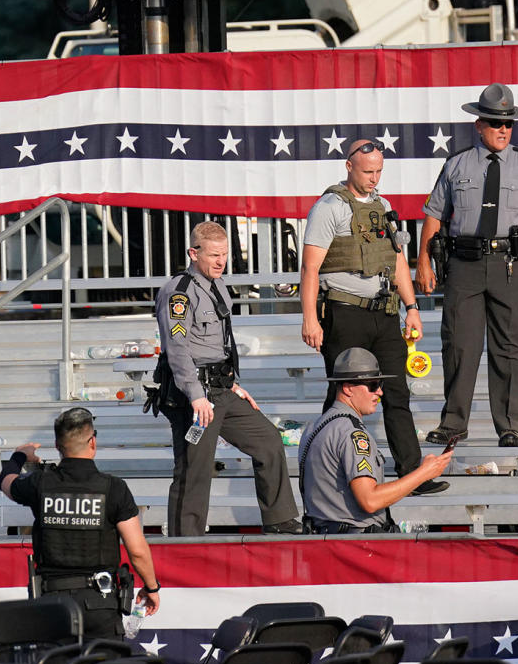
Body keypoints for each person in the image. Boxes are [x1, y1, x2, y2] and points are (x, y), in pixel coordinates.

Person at [415, 83, 518, 448]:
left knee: (509, 348)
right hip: (464, 265)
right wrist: (423, 260)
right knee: (459, 346)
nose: (502, 129)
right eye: (494, 122)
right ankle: (453, 422)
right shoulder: (456, 164)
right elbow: (434, 216)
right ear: (478, 124)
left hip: (512, 265)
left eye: (508, 123)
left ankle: (509, 426)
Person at [300, 138, 447, 496]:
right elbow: (310, 267)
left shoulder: (383, 206)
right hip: (344, 312)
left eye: (379, 171)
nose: (374, 178)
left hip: (385, 313)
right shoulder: (329, 207)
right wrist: (309, 319)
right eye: (368, 171)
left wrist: (411, 308)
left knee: (397, 392)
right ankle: (321, 469)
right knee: (342, 395)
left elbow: (397, 261)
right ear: (349, 167)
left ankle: (411, 473)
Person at [151, 221, 301, 536]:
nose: (221, 261)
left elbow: (215, 344)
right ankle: (185, 542)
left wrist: (231, 383)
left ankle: (280, 521)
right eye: (213, 255)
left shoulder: (217, 283)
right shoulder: (179, 293)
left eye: (225, 255)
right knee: (195, 469)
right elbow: (177, 351)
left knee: (268, 441)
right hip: (193, 396)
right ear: (193, 253)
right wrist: (195, 396)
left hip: (220, 389)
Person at [0, 407, 161, 638]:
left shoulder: (40, 483)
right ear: (92, 442)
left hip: (52, 606)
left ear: (57, 446)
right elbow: (137, 551)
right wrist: (152, 587)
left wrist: (20, 455)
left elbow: (5, 481)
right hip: (100, 603)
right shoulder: (114, 488)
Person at [298, 347, 453, 533]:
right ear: (348, 388)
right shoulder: (353, 434)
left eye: (380, 384)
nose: (379, 392)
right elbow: (370, 501)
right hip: (355, 546)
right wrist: (423, 473)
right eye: (372, 385)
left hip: (325, 541)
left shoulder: (314, 427)